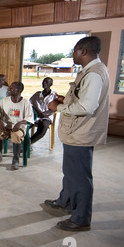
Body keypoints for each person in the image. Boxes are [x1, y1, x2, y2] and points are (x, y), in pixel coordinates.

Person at [45, 36, 110, 232]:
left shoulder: (93, 74)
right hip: (76, 132)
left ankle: (81, 219)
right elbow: (84, 98)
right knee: (71, 171)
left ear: (83, 51)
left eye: (74, 50)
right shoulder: (92, 71)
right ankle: (66, 200)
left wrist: (59, 107)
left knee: (80, 176)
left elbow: (87, 107)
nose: (72, 54)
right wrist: (67, 100)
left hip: (81, 132)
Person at [0, 82, 34, 170]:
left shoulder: (25, 102)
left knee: (15, 136)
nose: (9, 89)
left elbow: (29, 118)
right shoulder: (4, 100)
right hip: (6, 127)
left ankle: (15, 160)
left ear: (19, 91)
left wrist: (19, 123)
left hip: (19, 128)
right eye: (10, 88)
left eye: (12, 88)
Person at [29, 77, 59, 145]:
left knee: (43, 127)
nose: (44, 83)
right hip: (36, 116)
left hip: (46, 117)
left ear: (51, 84)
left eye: (46, 82)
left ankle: (29, 142)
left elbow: (56, 107)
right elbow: (30, 104)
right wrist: (37, 112)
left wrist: (45, 114)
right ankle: (21, 141)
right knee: (26, 125)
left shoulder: (54, 96)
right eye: (43, 82)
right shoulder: (37, 94)